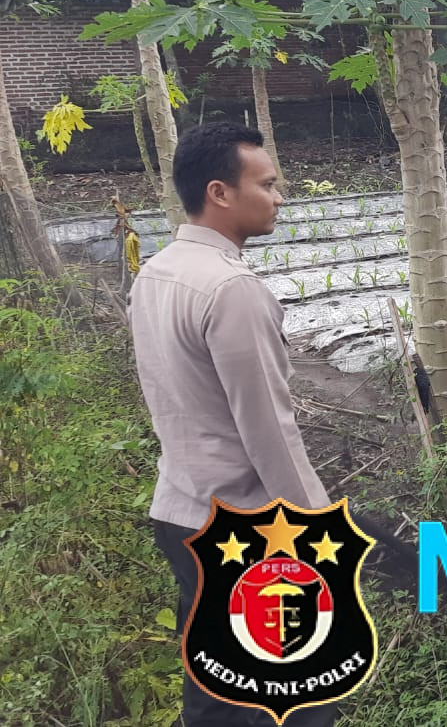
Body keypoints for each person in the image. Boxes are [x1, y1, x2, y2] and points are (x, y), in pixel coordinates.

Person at [129, 123, 336, 726]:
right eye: (267, 185)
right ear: (219, 192)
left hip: (180, 512)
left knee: (214, 701)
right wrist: (317, 527)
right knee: (297, 703)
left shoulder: (156, 272)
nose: (279, 197)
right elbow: (270, 432)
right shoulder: (232, 289)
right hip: (245, 535)